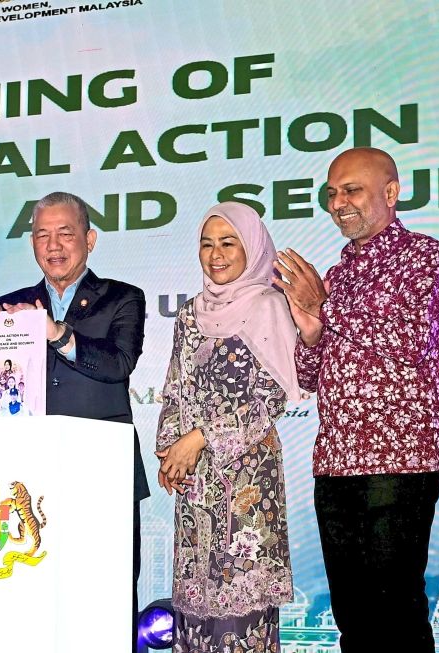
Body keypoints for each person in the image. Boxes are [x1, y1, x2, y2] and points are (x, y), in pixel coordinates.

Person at [272, 147, 439, 652]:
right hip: (335, 464)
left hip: (399, 460)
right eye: (331, 193)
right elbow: (312, 375)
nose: (338, 203)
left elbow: (411, 342)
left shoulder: (424, 257)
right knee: (352, 614)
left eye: (351, 189)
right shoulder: (334, 276)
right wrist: (311, 330)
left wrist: (324, 308)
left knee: (394, 608)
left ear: (391, 193)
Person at [0, 191, 149, 648]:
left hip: (102, 474)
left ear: (90, 240)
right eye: (42, 235)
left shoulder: (123, 298)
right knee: (31, 601)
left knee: (105, 602)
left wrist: (57, 333)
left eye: (65, 233)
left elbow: (118, 365)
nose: (53, 245)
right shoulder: (10, 305)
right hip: (29, 479)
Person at [156, 202, 301, 652]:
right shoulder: (188, 314)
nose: (216, 255)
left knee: (241, 614)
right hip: (196, 486)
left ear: (252, 248)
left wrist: (196, 441)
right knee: (197, 615)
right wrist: (170, 454)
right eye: (207, 244)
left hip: (246, 483)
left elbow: (269, 399)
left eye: (228, 243)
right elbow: (175, 387)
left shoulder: (270, 306)